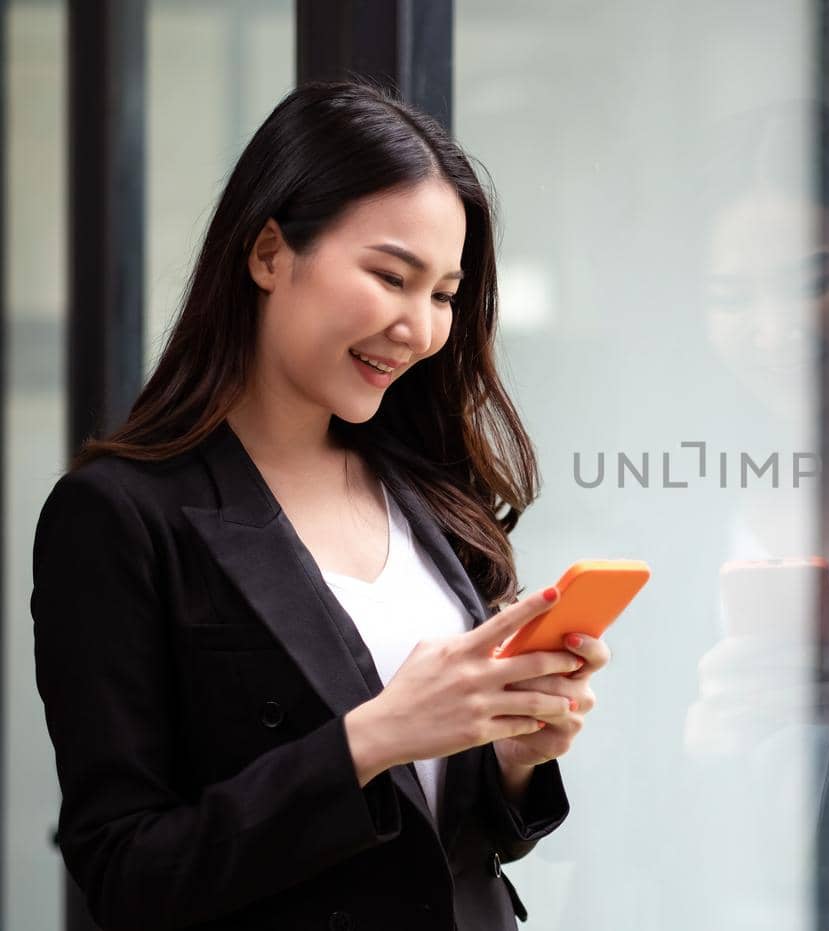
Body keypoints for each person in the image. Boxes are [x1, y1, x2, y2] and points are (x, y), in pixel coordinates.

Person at [29, 79, 613, 930]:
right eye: (390, 275)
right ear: (269, 253)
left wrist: (514, 756)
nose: (419, 327)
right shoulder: (118, 517)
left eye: (444, 294)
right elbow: (126, 872)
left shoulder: (425, 489)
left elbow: (448, 841)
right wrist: (371, 738)